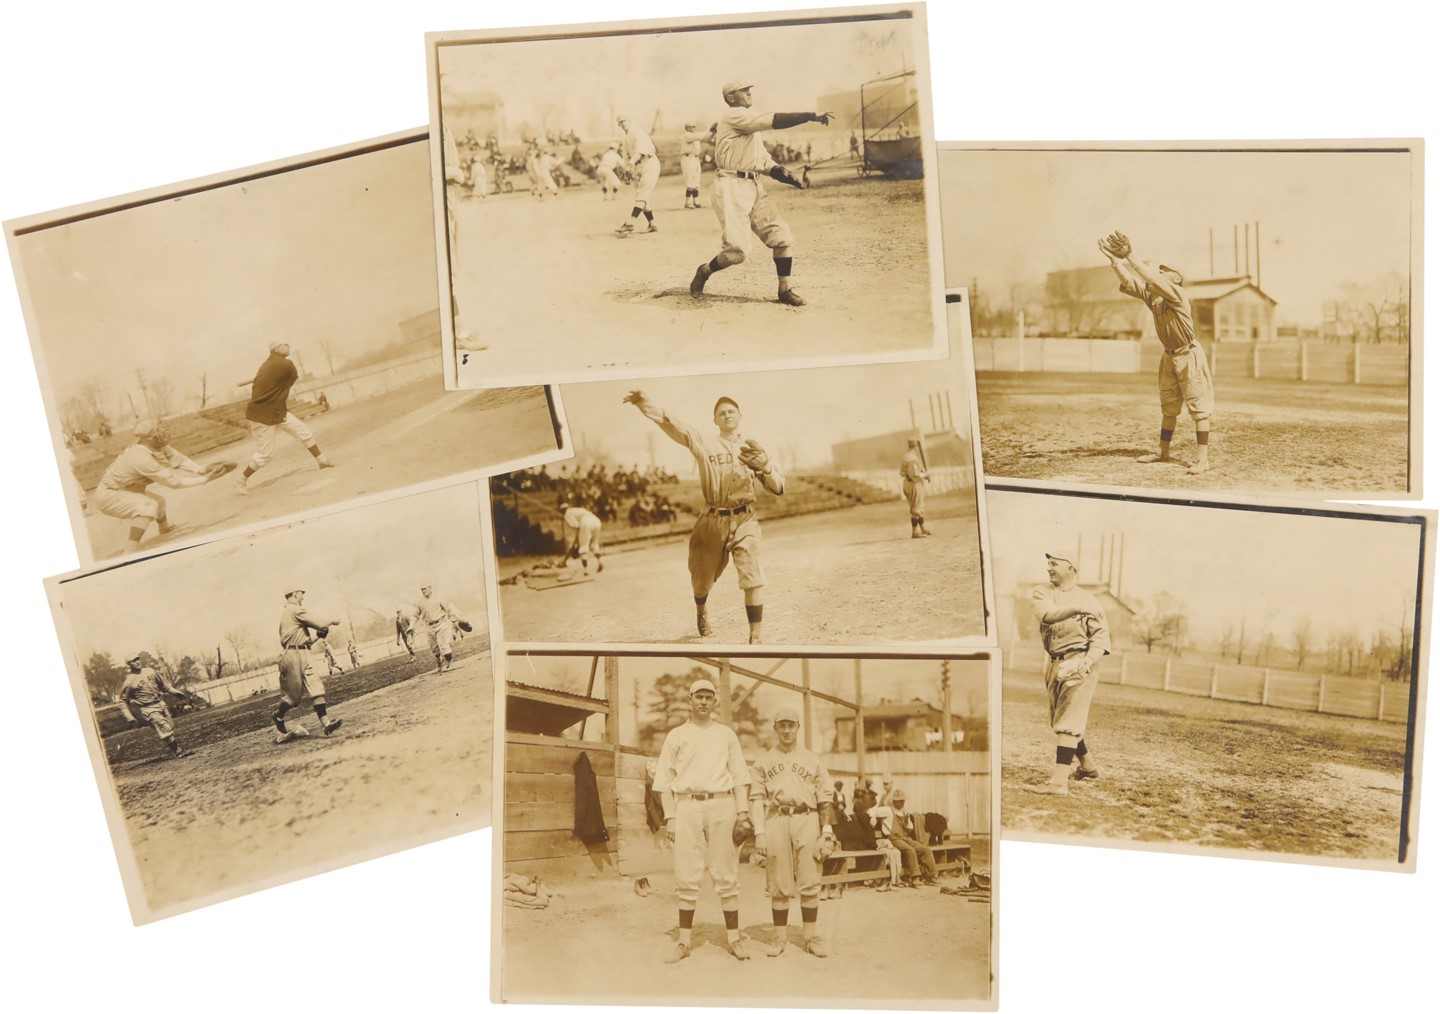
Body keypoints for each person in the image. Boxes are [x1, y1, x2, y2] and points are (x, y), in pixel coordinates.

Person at [624, 391, 784, 643]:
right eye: (721, 412)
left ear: (740, 416)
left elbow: (779, 488)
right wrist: (644, 402)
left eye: (731, 410)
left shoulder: (753, 448)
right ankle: (702, 610)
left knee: (752, 577)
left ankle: (755, 637)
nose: (727, 414)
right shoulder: (704, 442)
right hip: (712, 519)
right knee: (701, 581)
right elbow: (673, 423)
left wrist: (764, 467)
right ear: (715, 421)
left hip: (745, 518)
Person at [689, 82, 833, 306]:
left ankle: (784, 290)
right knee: (736, 253)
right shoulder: (734, 116)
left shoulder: (748, 127)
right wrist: (810, 116)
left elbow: (764, 162)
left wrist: (788, 177)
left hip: (753, 186)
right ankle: (705, 270)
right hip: (731, 186)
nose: (749, 92)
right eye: (742, 90)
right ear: (731, 97)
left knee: (783, 238)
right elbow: (773, 120)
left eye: (749, 89)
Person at [652, 677, 753, 962]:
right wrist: (670, 817)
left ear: (714, 702)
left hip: (722, 803)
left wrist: (743, 813)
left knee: (726, 871)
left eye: (709, 697)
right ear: (690, 700)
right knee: (686, 871)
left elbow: (740, 777)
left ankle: (734, 938)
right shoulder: (676, 735)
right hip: (687, 806)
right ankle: (684, 941)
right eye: (699, 697)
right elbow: (664, 781)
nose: (704, 702)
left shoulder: (726, 734)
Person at [1099, 231, 1214, 474]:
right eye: (1160, 269)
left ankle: (1203, 459)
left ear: (1177, 278)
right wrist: (1116, 262)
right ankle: (1163, 451)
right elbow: (1132, 284)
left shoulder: (1178, 295)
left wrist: (1131, 255)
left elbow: (1149, 277)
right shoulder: (1157, 298)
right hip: (1169, 356)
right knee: (1169, 407)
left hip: (1189, 355)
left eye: (1166, 270)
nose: (1160, 272)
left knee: (1199, 406)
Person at [750, 706, 837, 957]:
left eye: (791, 725)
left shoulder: (812, 759)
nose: (787, 730)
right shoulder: (764, 761)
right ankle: (779, 939)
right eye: (782, 725)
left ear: (798, 727)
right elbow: (756, 799)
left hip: (807, 817)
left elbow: (825, 798)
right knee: (779, 882)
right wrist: (759, 832)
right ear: (775, 728)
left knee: (810, 879)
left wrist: (826, 830)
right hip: (776, 818)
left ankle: (810, 938)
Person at [1028, 552, 1110, 794]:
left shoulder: (1091, 600)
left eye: (1054, 564)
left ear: (1071, 568)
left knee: (1068, 722)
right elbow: (1047, 614)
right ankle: (1088, 767)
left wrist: (1087, 662)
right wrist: (1077, 608)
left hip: (1080, 662)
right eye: (1048, 563)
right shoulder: (1042, 592)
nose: (1049, 568)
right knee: (1061, 718)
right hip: (1054, 662)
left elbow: (1100, 639)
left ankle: (1058, 783)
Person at [94, 419, 218, 548]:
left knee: (159, 502)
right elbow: (173, 482)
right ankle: (130, 549)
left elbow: (179, 459)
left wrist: (201, 470)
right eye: (158, 432)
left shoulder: (157, 447)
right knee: (148, 505)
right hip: (109, 494)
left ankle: (164, 528)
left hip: (126, 488)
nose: (163, 434)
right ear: (147, 438)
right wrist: (203, 480)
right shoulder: (140, 457)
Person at [233, 340, 334, 495]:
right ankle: (240, 481)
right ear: (278, 348)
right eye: (286, 344)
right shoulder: (285, 364)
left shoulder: (267, 365)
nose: (289, 346)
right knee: (266, 455)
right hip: (263, 415)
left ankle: (322, 461)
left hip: (278, 411)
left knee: (303, 431)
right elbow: (293, 378)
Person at [273, 587, 344, 744]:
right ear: (293, 594)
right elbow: (318, 622)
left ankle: (326, 724)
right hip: (291, 655)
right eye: (301, 593)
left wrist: (318, 637)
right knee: (293, 698)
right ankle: (278, 716)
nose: (303, 596)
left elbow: (303, 641)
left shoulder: (292, 612)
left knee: (316, 687)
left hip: (304, 652)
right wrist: (331, 621)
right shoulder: (293, 610)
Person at [117, 652, 187, 759]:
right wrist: (129, 716)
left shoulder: (150, 671)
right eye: (133, 661)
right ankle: (178, 751)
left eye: (137, 659)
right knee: (165, 728)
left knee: (171, 726)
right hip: (147, 708)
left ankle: (174, 746)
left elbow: (165, 685)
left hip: (160, 703)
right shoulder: (129, 682)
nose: (137, 662)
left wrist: (175, 692)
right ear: (129, 664)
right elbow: (122, 700)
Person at [614, 113, 659, 237]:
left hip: (649, 162)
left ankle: (630, 223)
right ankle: (652, 224)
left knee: (642, 195)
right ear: (618, 125)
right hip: (638, 166)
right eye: (620, 122)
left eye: (624, 121)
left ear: (629, 120)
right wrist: (627, 171)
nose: (623, 124)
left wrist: (630, 165)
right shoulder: (626, 139)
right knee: (643, 198)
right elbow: (625, 157)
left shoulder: (638, 133)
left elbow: (639, 151)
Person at [884, 789, 938, 886]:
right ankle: (915, 877)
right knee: (910, 850)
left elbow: (909, 828)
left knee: (926, 849)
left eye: (903, 800)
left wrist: (907, 820)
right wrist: (873, 819)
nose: (902, 802)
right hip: (894, 839)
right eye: (900, 800)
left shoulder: (904, 812)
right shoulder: (888, 810)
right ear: (895, 801)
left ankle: (931, 876)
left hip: (905, 838)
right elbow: (871, 811)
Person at [416, 584, 460, 672]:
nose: (423, 591)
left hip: (441, 623)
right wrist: (411, 624)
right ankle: (439, 661)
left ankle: (450, 662)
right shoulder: (420, 602)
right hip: (429, 626)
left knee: (443, 645)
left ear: (430, 588)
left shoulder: (439, 597)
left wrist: (457, 617)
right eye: (422, 589)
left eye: (425, 588)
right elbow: (415, 614)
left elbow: (449, 608)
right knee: (434, 648)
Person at [560, 500, 604, 574]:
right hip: (596, 521)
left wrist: (577, 541)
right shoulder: (578, 509)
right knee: (594, 544)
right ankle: (600, 562)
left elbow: (576, 526)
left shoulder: (567, 514)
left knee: (583, 547)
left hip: (586, 522)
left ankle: (586, 570)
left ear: (562, 511)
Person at [900, 438, 932, 539]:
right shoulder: (911, 458)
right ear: (916, 446)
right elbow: (914, 474)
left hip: (910, 482)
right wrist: (925, 475)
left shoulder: (907, 456)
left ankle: (922, 528)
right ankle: (915, 531)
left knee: (919, 506)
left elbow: (902, 472)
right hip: (913, 483)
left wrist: (923, 472)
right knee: (916, 507)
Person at [679, 122, 708, 209]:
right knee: (690, 179)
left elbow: (705, 138)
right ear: (687, 127)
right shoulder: (686, 135)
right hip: (688, 158)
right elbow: (699, 136)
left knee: (696, 179)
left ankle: (696, 201)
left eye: (694, 127)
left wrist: (712, 132)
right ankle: (688, 202)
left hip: (695, 158)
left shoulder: (694, 136)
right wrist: (709, 130)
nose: (694, 128)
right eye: (692, 127)